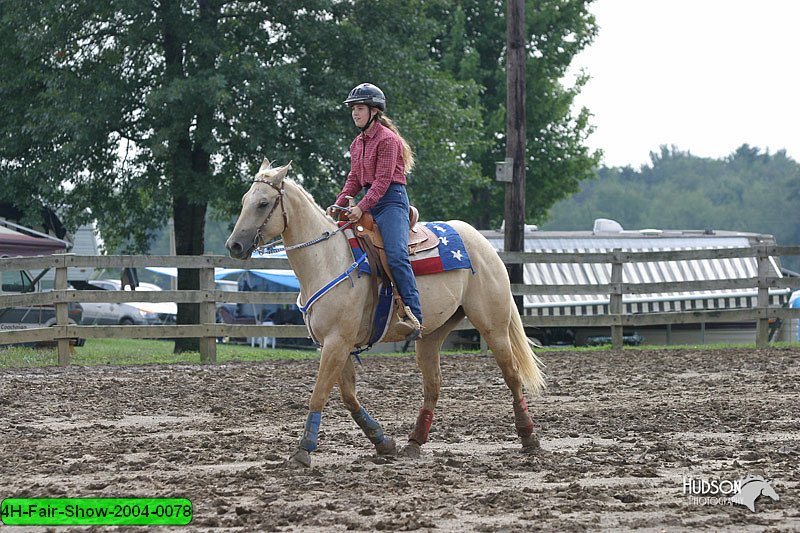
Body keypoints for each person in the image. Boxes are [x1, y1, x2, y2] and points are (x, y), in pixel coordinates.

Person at [327, 83, 422, 340]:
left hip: (391, 201)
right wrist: (337, 205)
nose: (355, 114)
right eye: (353, 109)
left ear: (374, 112)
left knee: (396, 254)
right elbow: (354, 180)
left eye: (359, 108)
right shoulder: (356, 144)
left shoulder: (389, 140)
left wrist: (360, 207)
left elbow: (381, 181)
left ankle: (414, 316)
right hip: (370, 200)